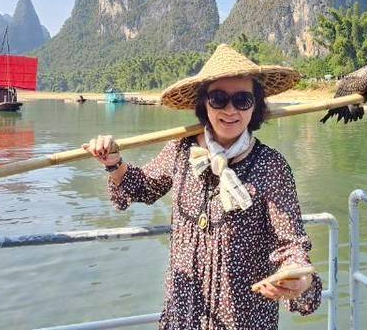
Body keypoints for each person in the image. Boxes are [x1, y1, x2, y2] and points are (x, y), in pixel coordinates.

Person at [84, 44, 322, 329]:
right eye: (218, 99)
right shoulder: (181, 150)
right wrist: (113, 163)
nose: (230, 110)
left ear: (255, 106)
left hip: (244, 320)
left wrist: (298, 275)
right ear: (204, 104)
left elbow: (290, 243)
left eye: (243, 100)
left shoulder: (271, 165)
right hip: (183, 316)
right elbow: (143, 187)